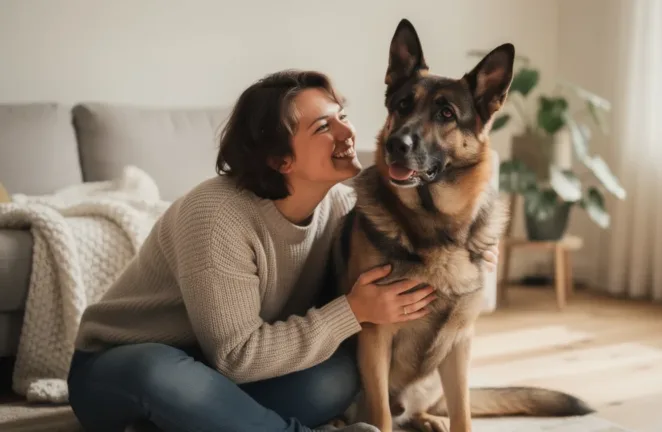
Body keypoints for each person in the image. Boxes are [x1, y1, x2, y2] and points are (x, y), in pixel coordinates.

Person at [66, 69, 499, 432]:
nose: (350, 133)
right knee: (159, 371)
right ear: (280, 160)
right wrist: (351, 310)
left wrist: (469, 250)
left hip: (228, 380)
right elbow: (236, 357)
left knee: (343, 375)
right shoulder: (215, 216)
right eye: (324, 127)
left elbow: (414, 235)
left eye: (342, 116)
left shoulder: (340, 205)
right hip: (120, 369)